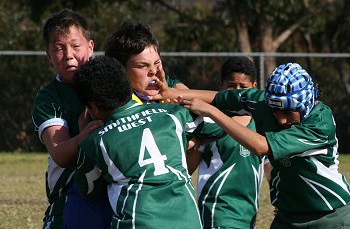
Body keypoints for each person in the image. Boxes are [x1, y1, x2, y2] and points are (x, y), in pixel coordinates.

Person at [153, 62, 350, 228]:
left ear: (306, 104)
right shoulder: (265, 103)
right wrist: (170, 91)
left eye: (288, 113)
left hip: (329, 216)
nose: (281, 120)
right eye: (275, 111)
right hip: (288, 216)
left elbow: (260, 146)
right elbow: (220, 98)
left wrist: (211, 112)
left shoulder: (319, 123)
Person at [72, 55, 224, 229]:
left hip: (138, 223)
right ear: (127, 85)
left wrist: (82, 131)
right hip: (187, 221)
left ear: (92, 107)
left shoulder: (95, 141)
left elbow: (88, 190)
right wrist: (188, 138)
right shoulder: (172, 114)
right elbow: (220, 127)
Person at [31, 9, 113, 229]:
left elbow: (167, 86)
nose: (68, 54)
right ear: (48, 55)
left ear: (91, 47)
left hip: (117, 199)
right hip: (67, 201)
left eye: (76, 46)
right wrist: (84, 136)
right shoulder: (49, 97)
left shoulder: (114, 81)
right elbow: (60, 154)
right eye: (58, 48)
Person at [187, 57, 268, 229]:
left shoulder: (262, 125)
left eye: (243, 88)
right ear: (221, 87)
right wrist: (197, 141)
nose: (236, 93)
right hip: (217, 211)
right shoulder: (209, 123)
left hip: (248, 214)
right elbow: (187, 169)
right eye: (231, 86)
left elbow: (270, 170)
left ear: (254, 88)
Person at [104, 22, 188, 105]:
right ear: (121, 70)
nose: (154, 71)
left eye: (157, 63)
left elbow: (199, 97)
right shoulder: (115, 103)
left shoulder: (166, 83)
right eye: (143, 66)